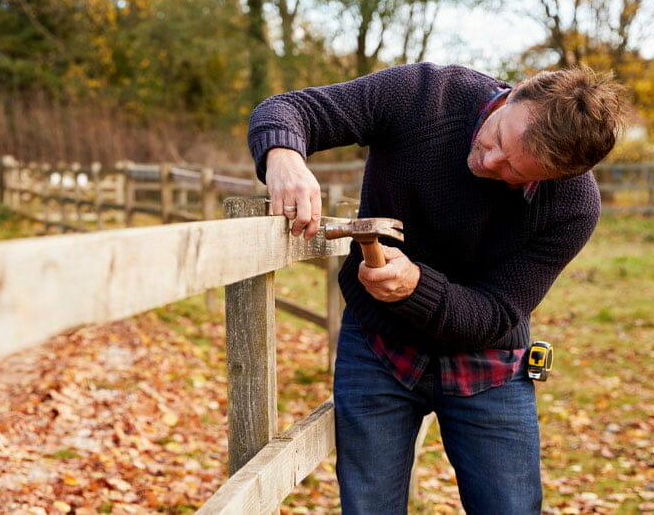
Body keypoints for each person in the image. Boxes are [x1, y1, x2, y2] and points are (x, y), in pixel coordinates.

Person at [247, 62, 629, 514]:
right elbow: (288, 109)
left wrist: (416, 285)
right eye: (499, 140)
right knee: (370, 507)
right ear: (518, 90)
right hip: (378, 348)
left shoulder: (573, 206)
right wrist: (285, 157)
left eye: (514, 171)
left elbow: (495, 313)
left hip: (490, 365)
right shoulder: (422, 94)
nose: (489, 162)